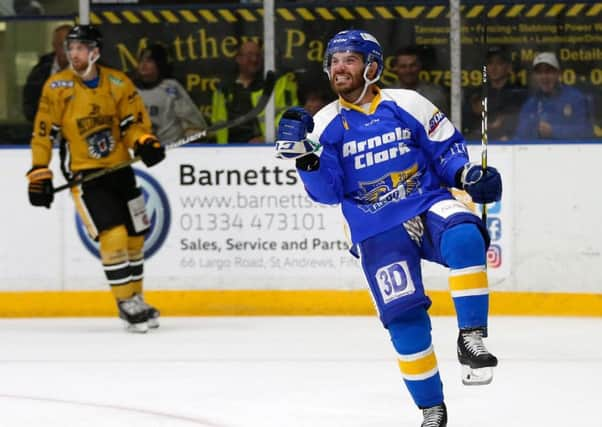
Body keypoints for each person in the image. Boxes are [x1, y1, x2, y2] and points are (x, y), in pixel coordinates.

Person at [275, 30, 502, 427]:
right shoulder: (325, 124)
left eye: (349, 59)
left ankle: (471, 337)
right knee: (403, 318)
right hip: (375, 225)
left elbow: (446, 151)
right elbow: (328, 194)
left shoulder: (407, 103)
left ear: (372, 67)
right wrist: (306, 161)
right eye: (333, 60)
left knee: (466, 235)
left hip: (426, 200)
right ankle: (432, 409)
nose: (338, 67)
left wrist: (468, 174)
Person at [26, 25, 165, 333]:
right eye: (70, 47)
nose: (73, 53)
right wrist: (39, 171)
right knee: (113, 234)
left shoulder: (118, 83)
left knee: (134, 237)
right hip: (86, 175)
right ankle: (125, 304)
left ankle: (137, 298)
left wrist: (143, 141)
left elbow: (133, 124)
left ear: (95, 51)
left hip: (120, 170)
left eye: (80, 47)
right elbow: (43, 134)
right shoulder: (56, 87)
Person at [211, 40, 298, 143]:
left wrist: (267, 139)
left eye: (258, 55)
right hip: (226, 151)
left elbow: (291, 119)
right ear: (238, 59)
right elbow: (216, 126)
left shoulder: (277, 84)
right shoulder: (223, 90)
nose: (254, 59)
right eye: (249, 55)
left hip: (265, 149)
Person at [133, 43, 207, 143]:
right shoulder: (129, 89)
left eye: (149, 61)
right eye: (141, 61)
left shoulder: (170, 87)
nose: (143, 65)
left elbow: (192, 122)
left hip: (170, 149)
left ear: (159, 64)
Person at [515, 52, 593, 139]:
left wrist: (553, 131)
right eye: (539, 73)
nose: (544, 77)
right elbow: (520, 136)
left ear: (558, 73)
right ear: (534, 77)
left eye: (548, 72)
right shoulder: (530, 104)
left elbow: (586, 132)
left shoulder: (576, 98)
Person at [462, 46, 527, 141]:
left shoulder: (518, 93)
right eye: (490, 63)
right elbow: (463, 123)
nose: (494, 67)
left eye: (499, 63)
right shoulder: (477, 94)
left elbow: (524, 122)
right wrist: (473, 113)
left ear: (508, 67)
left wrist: (505, 121)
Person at [22, 24, 72, 122]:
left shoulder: (90, 71)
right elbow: (29, 104)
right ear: (54, 46)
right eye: (62, 45)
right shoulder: (40, 71)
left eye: (70, 46)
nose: (66, 51)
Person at [389, 45, 449, 115]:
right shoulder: (387, 95)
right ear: (395, 68)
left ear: (420, 66)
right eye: (403, 66)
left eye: (412, 65)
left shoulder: (435, 94)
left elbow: (445, 124)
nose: (408, 70)